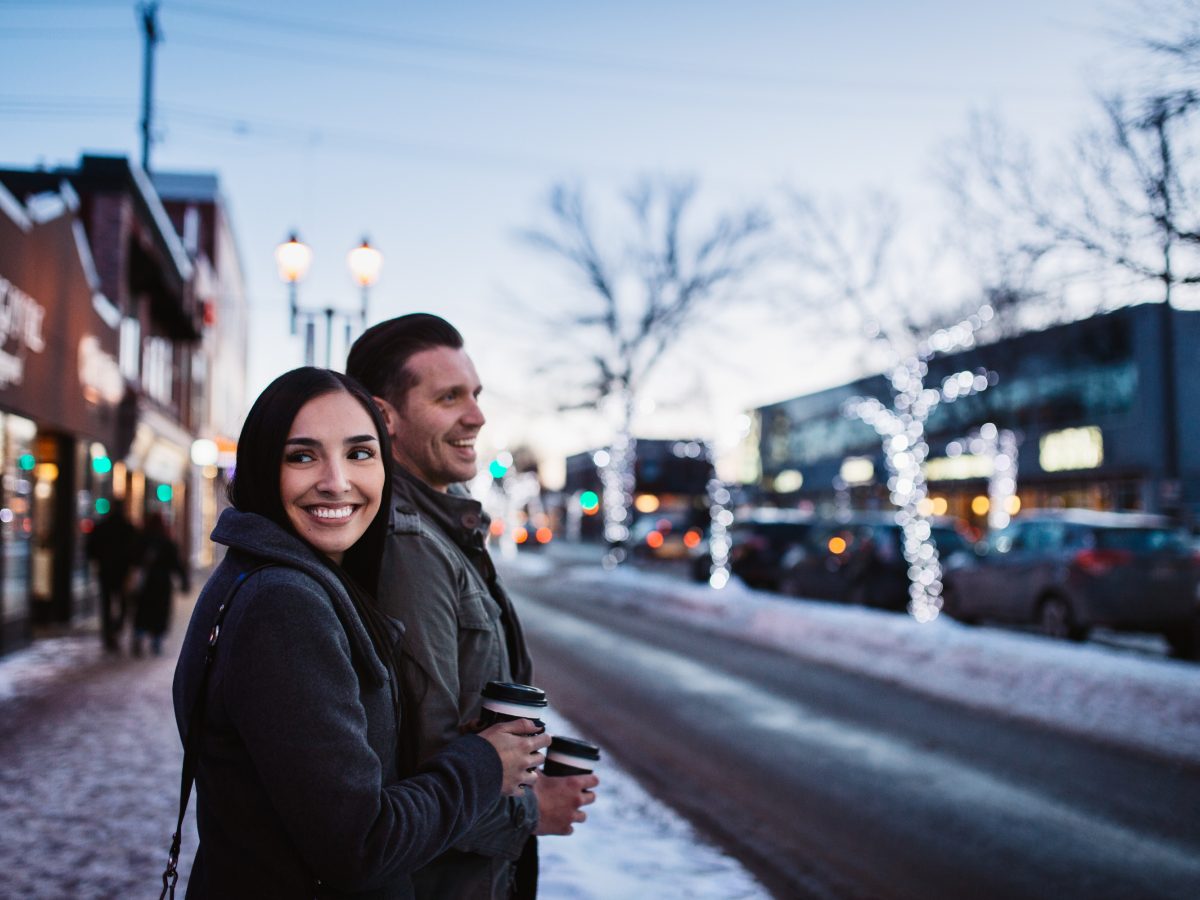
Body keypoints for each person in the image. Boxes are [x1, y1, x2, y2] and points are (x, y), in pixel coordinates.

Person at [172, 367, 550, 898]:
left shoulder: (269, 575)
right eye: (302, 456)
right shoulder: (284, 604)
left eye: (359, 453)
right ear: (261, 466)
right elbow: (360, 845)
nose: (336, 481)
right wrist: (485, 765)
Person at [348, 315, 599, 900]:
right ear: (385, 417)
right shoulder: (408, 545)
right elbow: (423, 764)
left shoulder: (442, 528)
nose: (477, 416)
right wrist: (532, 810)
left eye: (476, 394)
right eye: (449, 397)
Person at [132, 510, 189, 656]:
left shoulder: (142, 539)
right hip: (162, 584)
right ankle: (156, 643)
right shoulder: (167, 541)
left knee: (142, 612)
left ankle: (139, 636)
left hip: (146, 583)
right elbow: (177, 564)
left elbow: (134, 559)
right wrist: (184, 581)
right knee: (160, 613)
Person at [86, 499, 139, 651]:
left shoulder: (102, 527)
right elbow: (135, 551)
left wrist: (99, 560)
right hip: (122, 572)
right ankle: (115, 629)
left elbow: (90, 549)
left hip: (106, 571)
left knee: (107, 603)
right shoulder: (128, 528)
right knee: (123, 603)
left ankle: (108, 634)